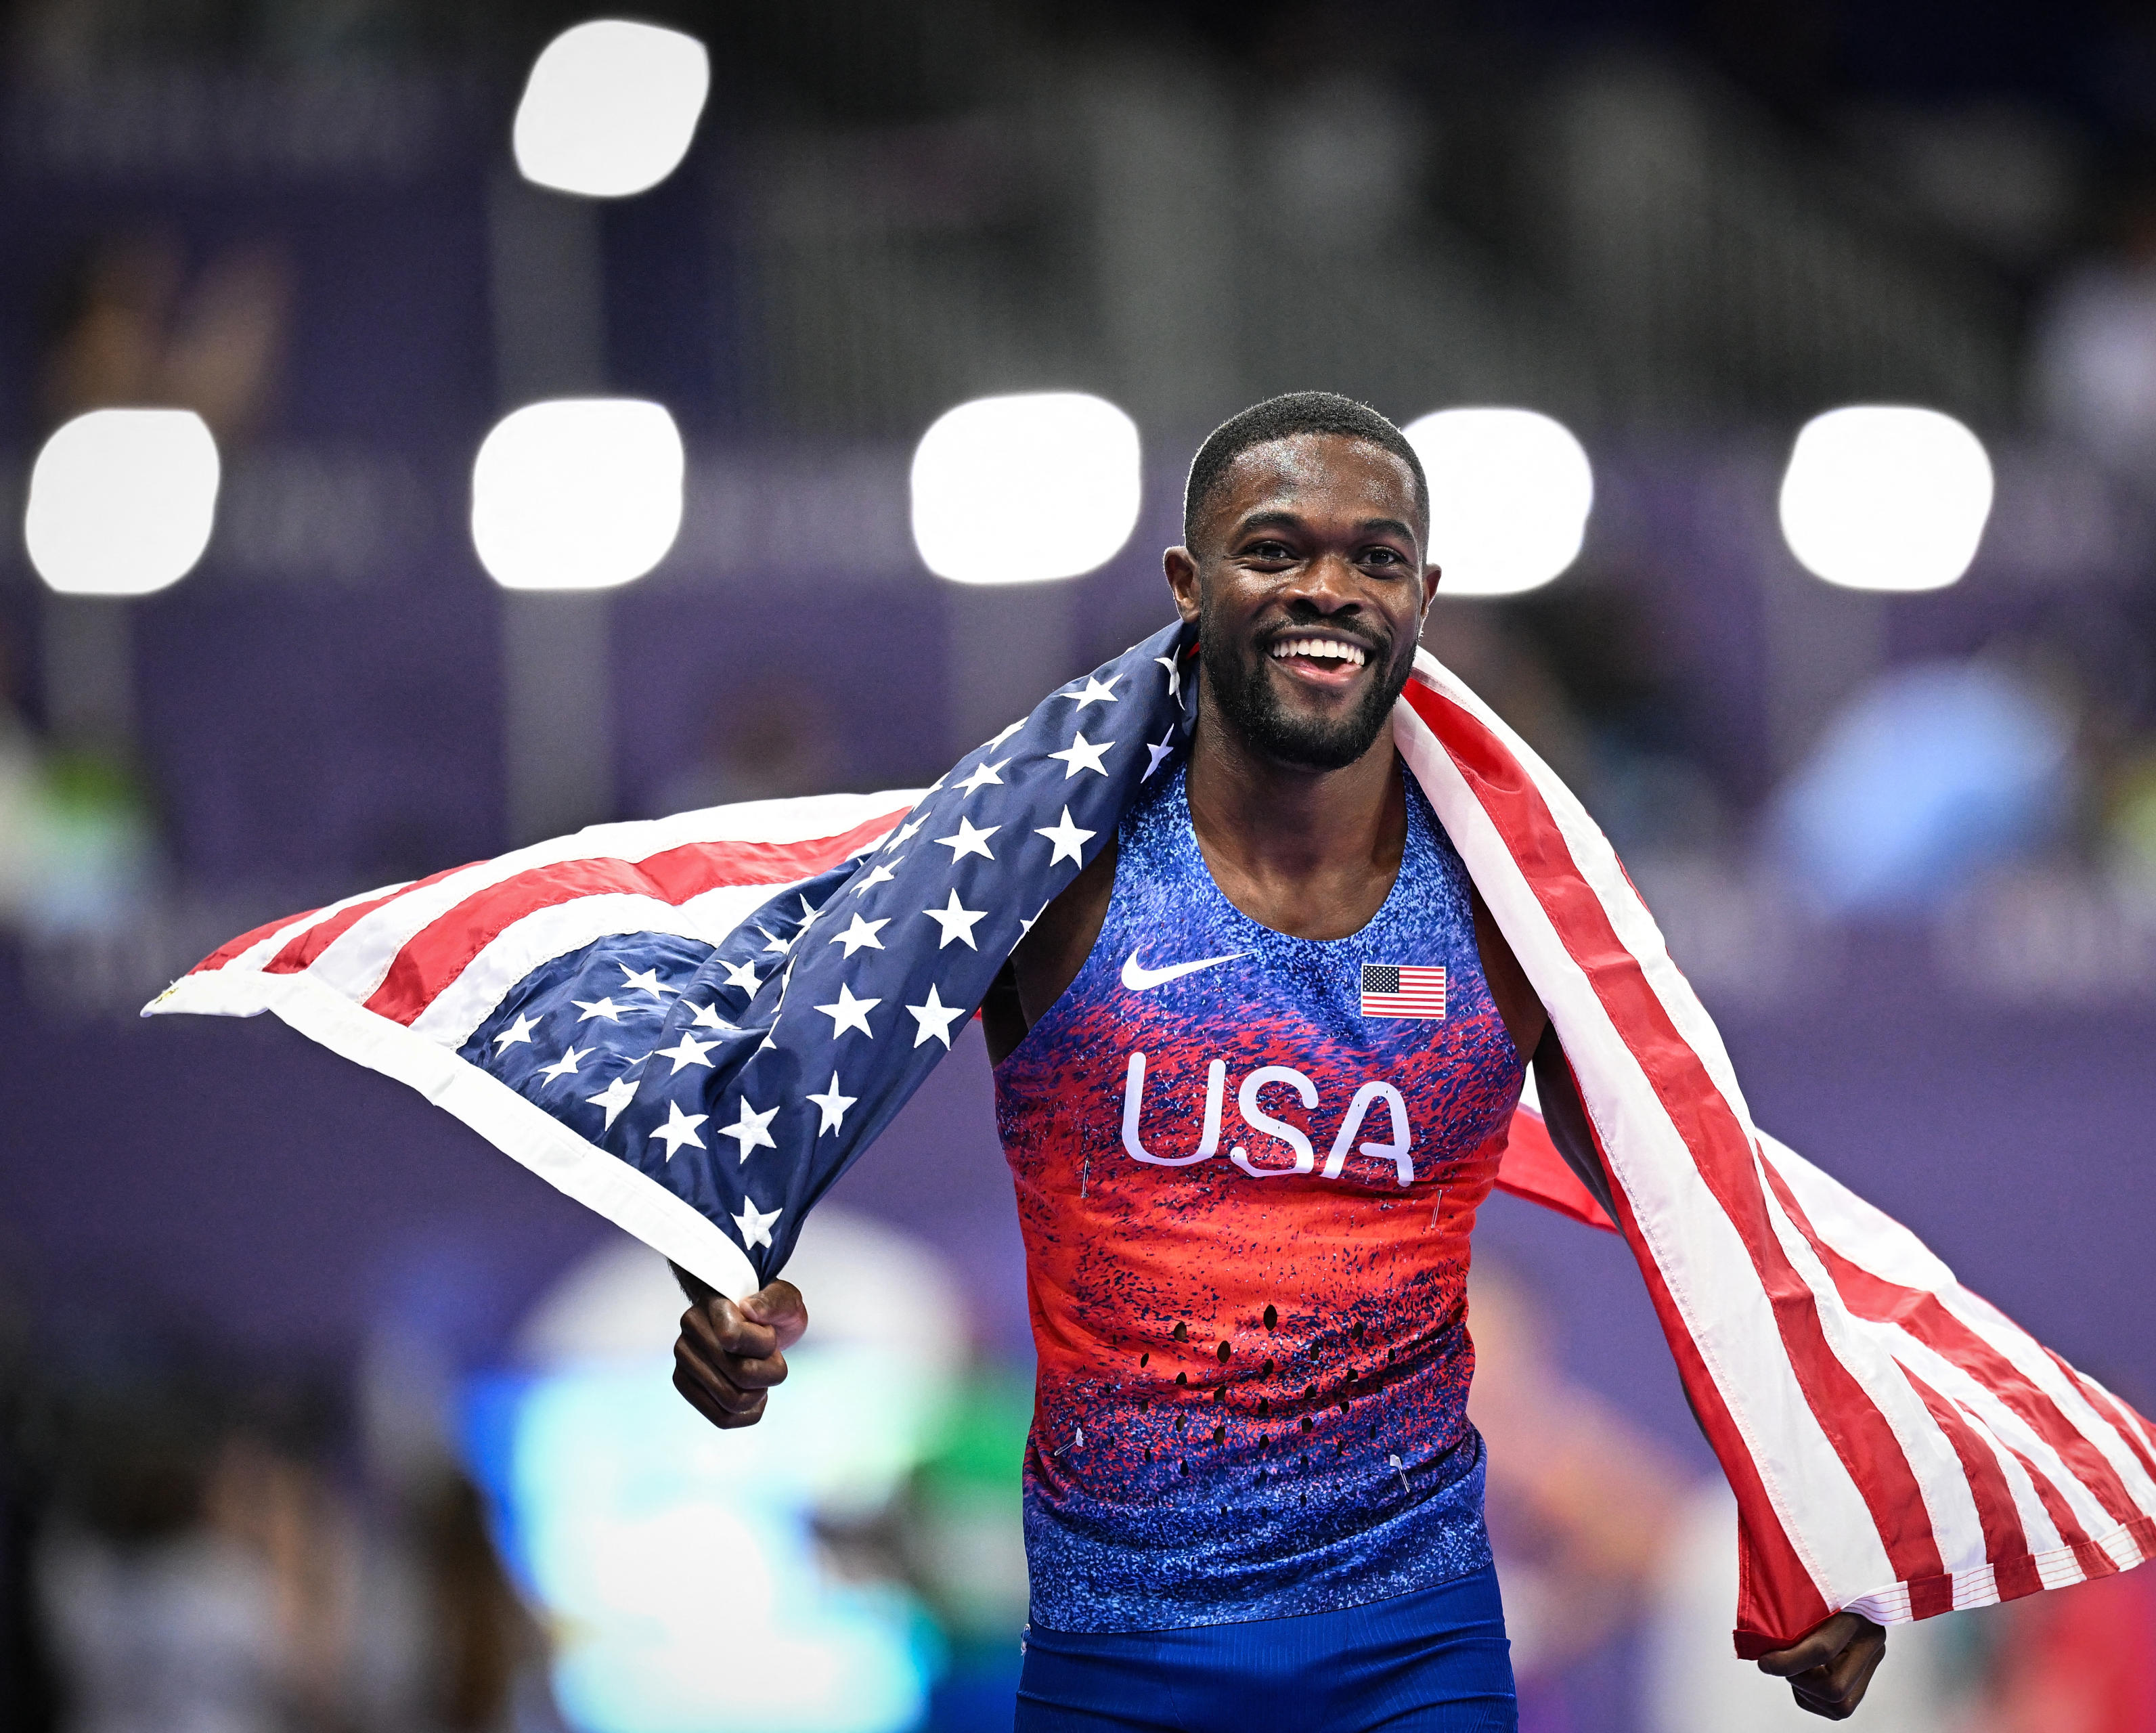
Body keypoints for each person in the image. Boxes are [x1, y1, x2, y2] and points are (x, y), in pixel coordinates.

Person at [665, 393, 1887, 1728]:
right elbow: (773, 1056)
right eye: (1274, 547)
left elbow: (1693, 1218)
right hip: (1120, 1660)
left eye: (1374, 556)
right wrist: (725, 1281)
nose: (1327, 586)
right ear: (1190, 585)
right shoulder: (1059, 880)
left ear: (1423, 593)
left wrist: (1808, 1525)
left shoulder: (1507, 907)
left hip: (1411, 1659)